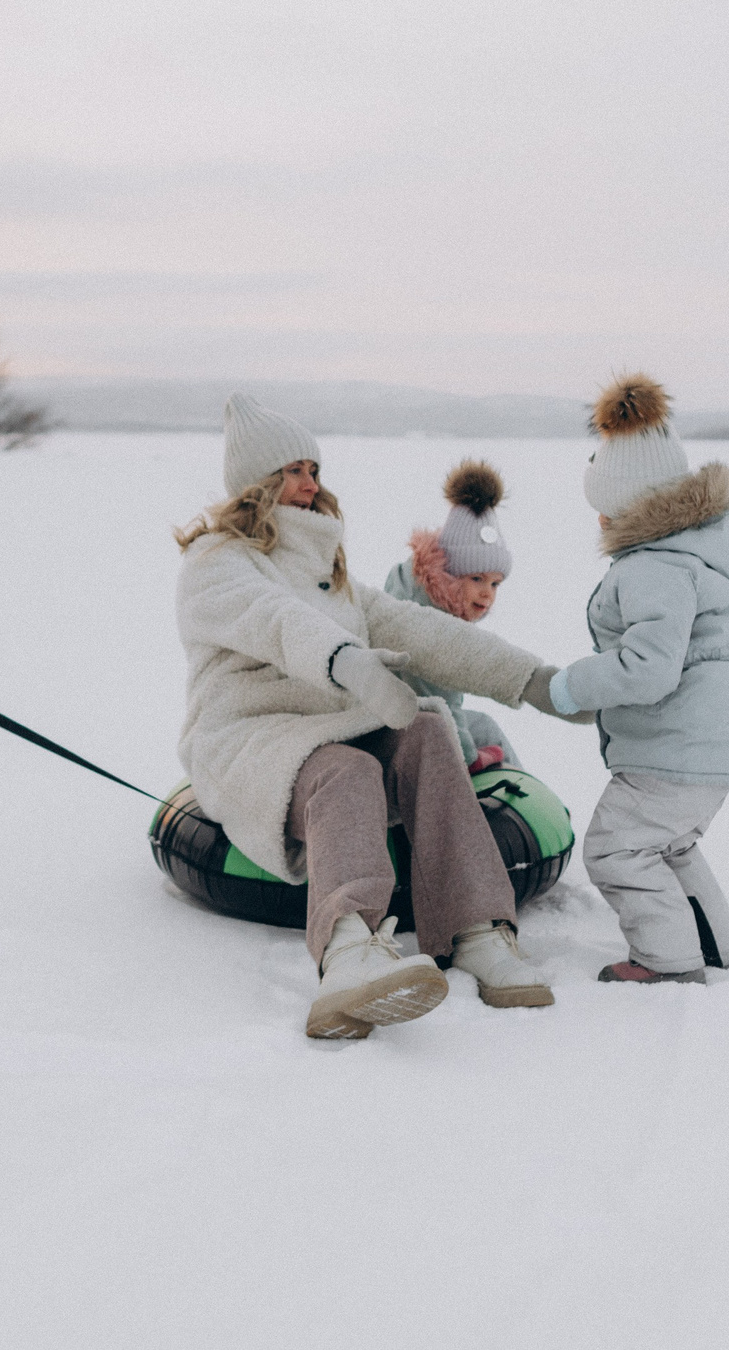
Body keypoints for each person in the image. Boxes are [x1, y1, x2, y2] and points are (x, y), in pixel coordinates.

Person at [174, 396, 566, 1037]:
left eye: (314, 469)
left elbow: (420, 630)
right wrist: (347, 662)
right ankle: (349, 951)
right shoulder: (216, 563)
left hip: (330, 719)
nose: (311, 484)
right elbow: (276, 621)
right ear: (257, 482)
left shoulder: (330, 570)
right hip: (253, 733)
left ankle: (476, 931)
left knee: (428, 729)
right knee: (348, 770)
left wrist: (531, 680)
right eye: (294, 470)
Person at [533, 374, 729, 984]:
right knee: (672, 846)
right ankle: (715, 950)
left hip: (677, 747)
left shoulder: (656, 565)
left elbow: (648, 669)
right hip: (718, 740)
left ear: (629, 505)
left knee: (616, 850)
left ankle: (668, 965)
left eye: (604, 506)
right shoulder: (703, 550)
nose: (598, 517)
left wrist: (572, 686)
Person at [380, 459, 522, 773]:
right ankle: (527, 809)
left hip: (404, 723)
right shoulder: (432, 623)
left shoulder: (412, 588)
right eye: (476, 579)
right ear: (451, 575)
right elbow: (442, 703)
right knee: (484, 731)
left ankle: (534, 805)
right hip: (397, 735)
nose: (488, 593)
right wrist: (472, 759)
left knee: (484, 724)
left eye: (495, 583)